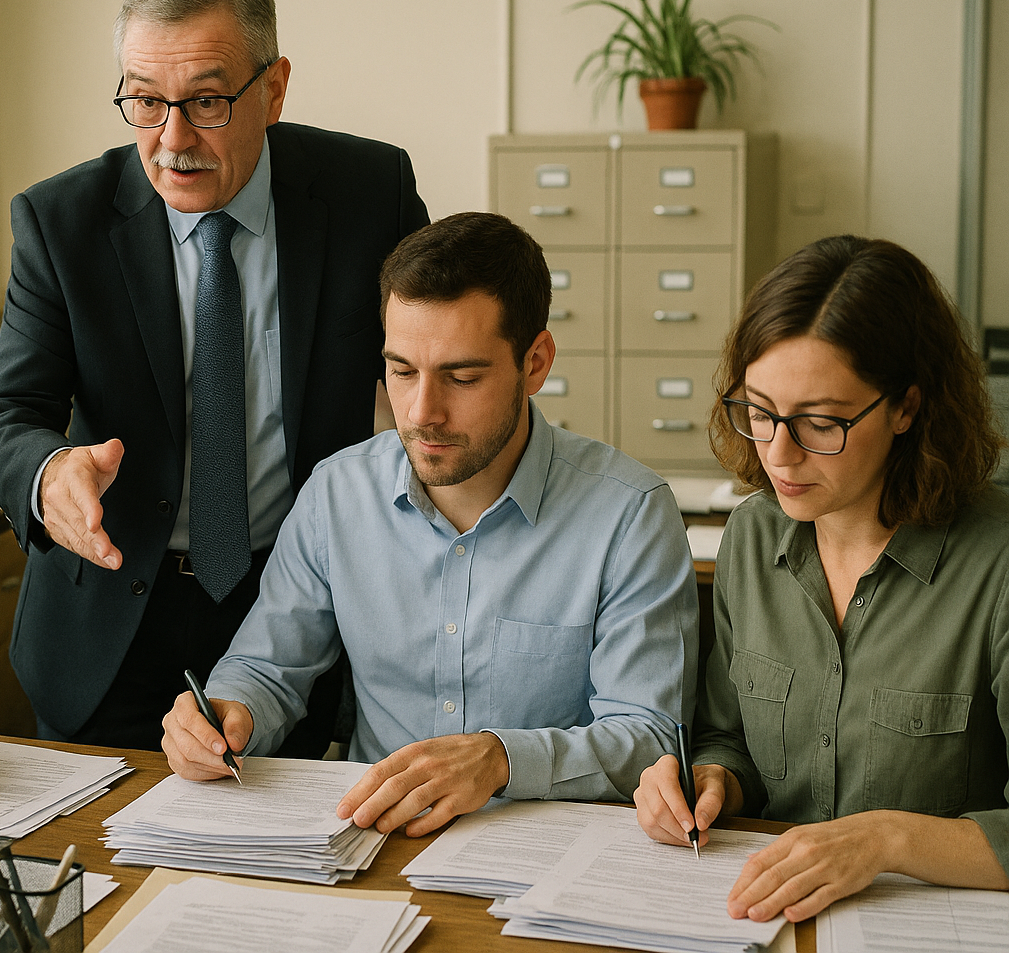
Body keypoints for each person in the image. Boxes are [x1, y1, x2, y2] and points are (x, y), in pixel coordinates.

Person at [0, 0, 428, 750]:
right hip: (109, 624)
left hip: (299, 606)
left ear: (273, 89)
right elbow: (1, 415)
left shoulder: (366, 192)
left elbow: (434, 357)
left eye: (207, 102)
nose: (171, 139)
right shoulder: (61, 222)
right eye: (143, 101)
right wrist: (50, 475)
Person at [162, 212, 698, 836]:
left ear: (536, 363)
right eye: (401, 371)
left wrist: (501, 760)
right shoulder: (338, 492)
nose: (421, 413)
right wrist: (228, 713)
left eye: (462, 377)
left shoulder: (629, 513)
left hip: (550, 849)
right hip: (373, 843)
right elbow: (267, 668)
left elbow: (650, 734)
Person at [633, 235, 1009, 922]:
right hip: (759, 914)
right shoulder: (750, 538)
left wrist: (886, 839)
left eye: (821, 422)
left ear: (906, 408)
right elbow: (727, 737)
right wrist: (712, 783)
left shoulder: (998, 565)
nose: (778, 453)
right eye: (760, 411)